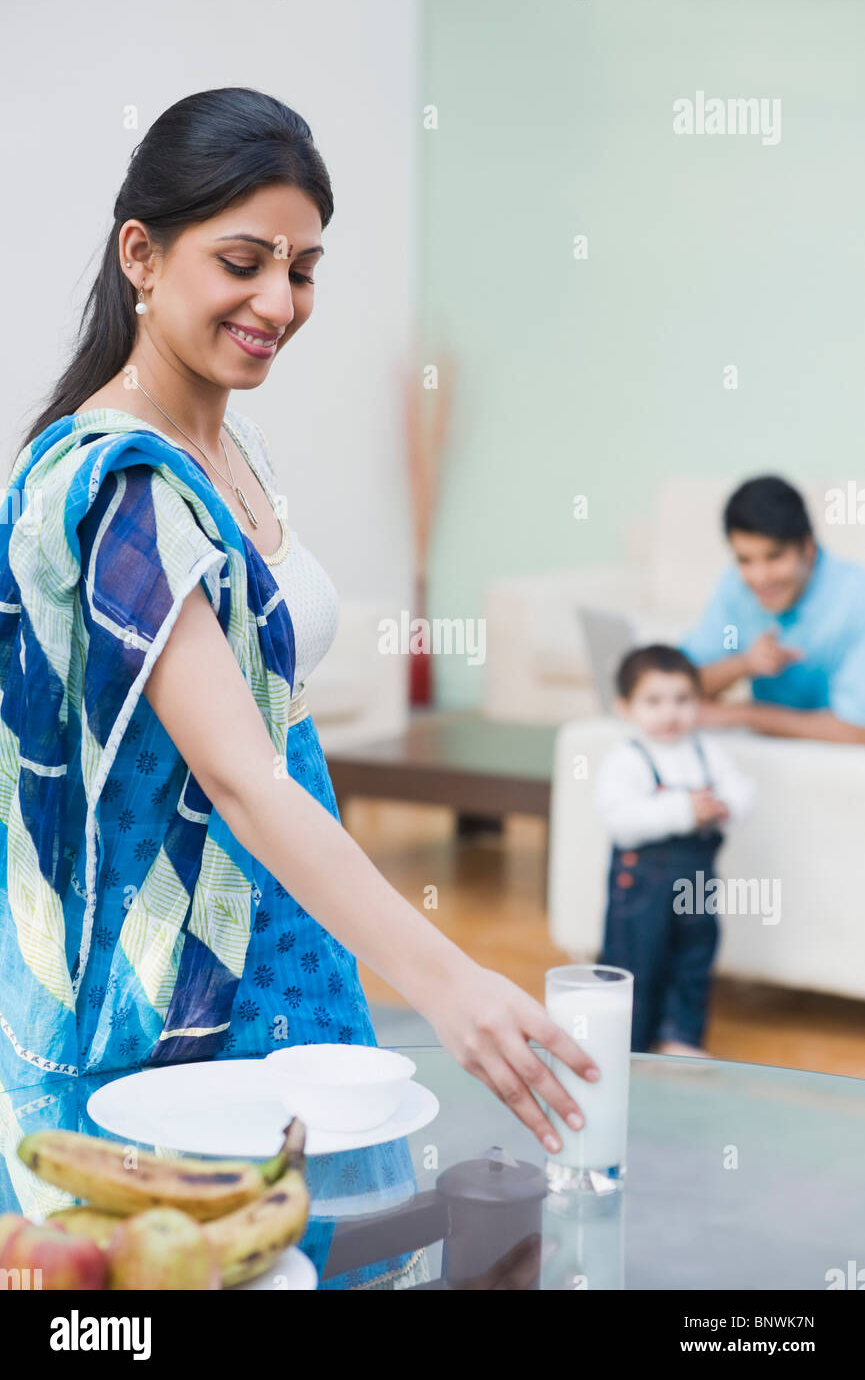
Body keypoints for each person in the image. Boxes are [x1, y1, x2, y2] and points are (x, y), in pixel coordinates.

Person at [0, 87, 598, 1286]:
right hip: (177, 992)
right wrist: (451, 983)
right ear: (141, 254)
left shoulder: (231, 443)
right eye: (242, 261)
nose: (279, 303)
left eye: (304, 267)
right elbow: (239, 772)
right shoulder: (120, 486)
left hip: (289, 942)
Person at [596, 646, 754, 1055]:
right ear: (625, 707)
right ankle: (628, 1043)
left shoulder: (706, 752)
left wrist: (726, 805)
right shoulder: (626, 759)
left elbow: (740, 788)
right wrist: (684, 810)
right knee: (637, 962)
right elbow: (621, 822)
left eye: (683, 700)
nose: (670, 714)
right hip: (642, 887)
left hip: (698, 879)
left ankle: (680, 1037)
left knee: (694, 956)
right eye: (653, 701)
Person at [681, 475, 865, 743]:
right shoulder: (735, 588)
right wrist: (743, 664)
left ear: (808, 548)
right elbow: (680, 682)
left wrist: (742, 714)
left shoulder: (856, 599)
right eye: (745, 560)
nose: (760, 577)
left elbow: (857, 727)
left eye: (774, 556)